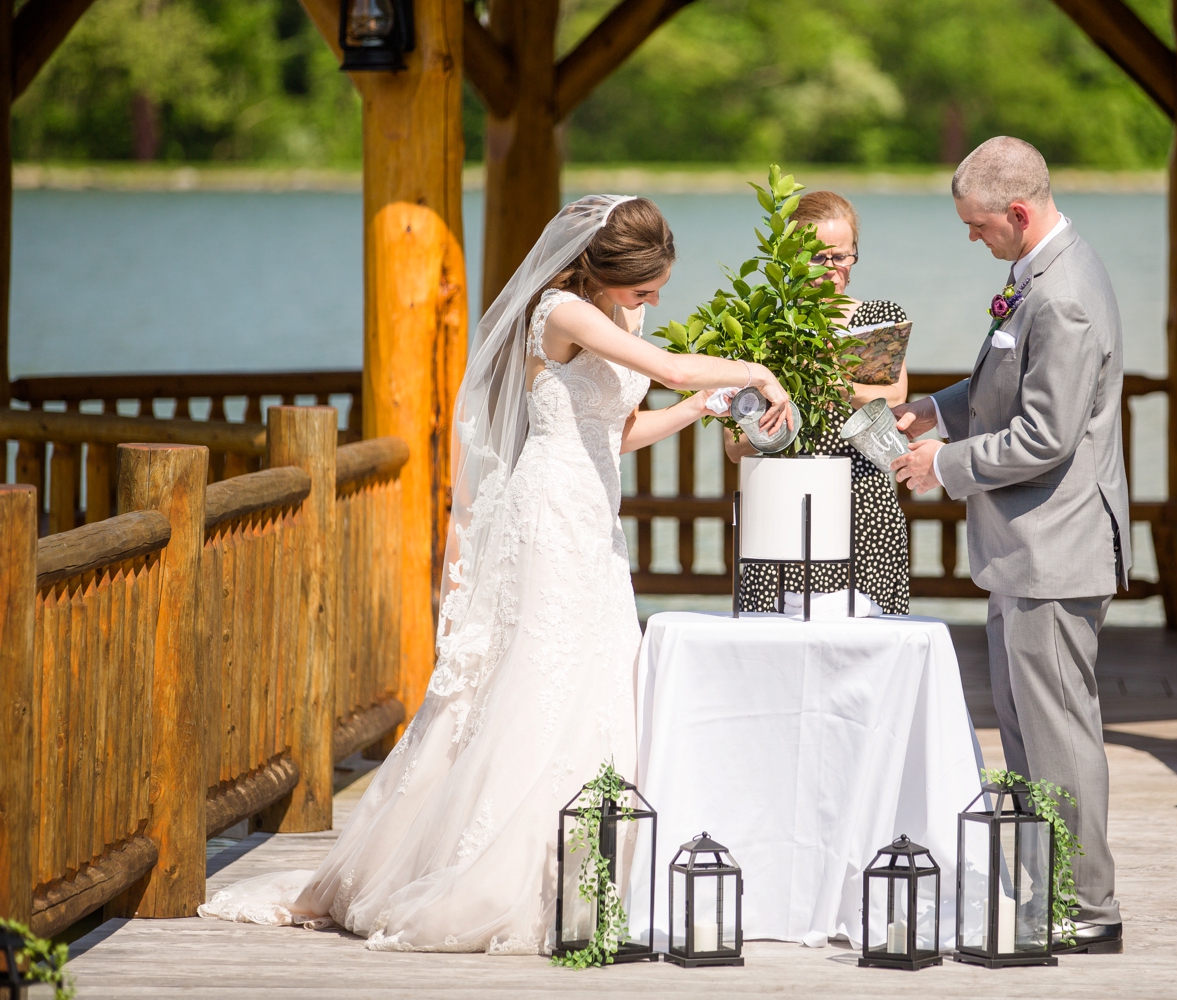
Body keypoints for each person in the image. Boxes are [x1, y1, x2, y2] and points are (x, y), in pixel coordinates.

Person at [198, 195, 792, 954]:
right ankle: (493, 871)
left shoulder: (615, 317)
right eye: (641, 292)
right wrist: (759, 371)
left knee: (597, 674)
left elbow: (618, 429)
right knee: (535, 679)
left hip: (593, 514)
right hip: (547, 510)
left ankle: (584, 868)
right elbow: (670, 369)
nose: (649, 305)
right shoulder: (562, 312)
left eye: (654, 293)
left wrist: (703, 407)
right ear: (601, 273)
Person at [889, 137, 1131, 954]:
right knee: (1029, 736)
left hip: (1054, 551)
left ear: (1020, 214)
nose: (972, 238)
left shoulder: (1063, 296)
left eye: (979, 225)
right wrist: (939, 408)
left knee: (1059, 735)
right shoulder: (1036, 273)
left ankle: (1086, 909)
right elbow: (1006, 381)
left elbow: (1045, 436)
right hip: (1026, 549)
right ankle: (1041, 889)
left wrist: (942, 465)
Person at [725, 190, 911, 615]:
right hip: (784, 505)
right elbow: (735, 445)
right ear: (790, 257)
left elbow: (894, 394)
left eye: (842, 257)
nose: (832, 272)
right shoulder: (764, 329)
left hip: (865, 508)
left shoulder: (881, 316)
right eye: (818, 258)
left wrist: (823, 374)